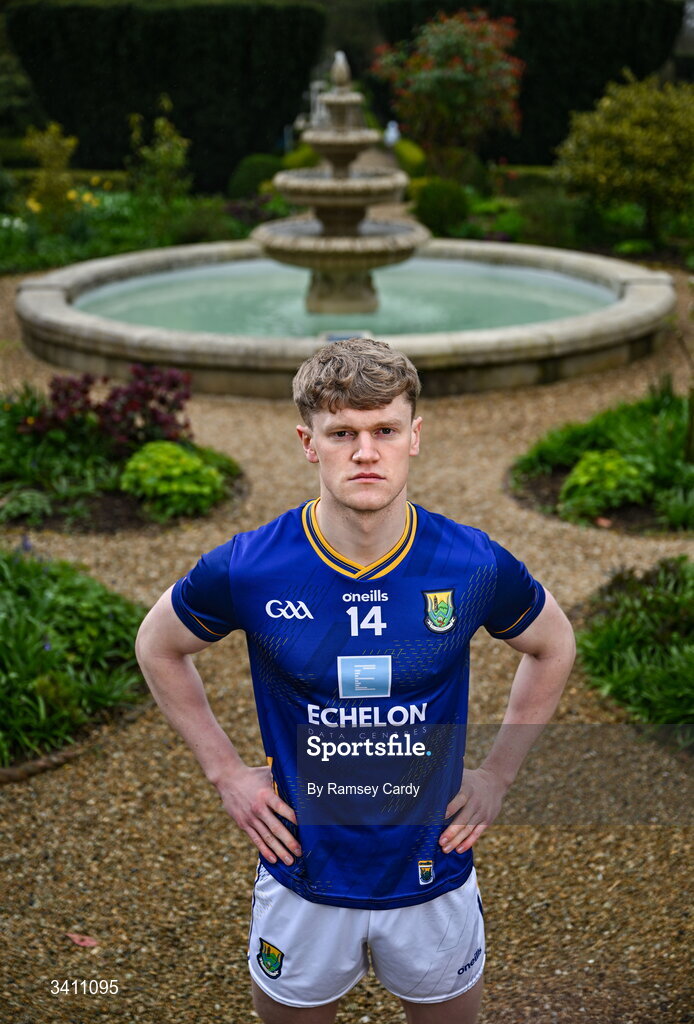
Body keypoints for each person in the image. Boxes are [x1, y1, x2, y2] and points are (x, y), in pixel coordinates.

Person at [136, 338, 575, 1024]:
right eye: (342, 433)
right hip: (304, 875)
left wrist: (497, 776)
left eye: (384, 431)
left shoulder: (471, 563)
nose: (365, 452)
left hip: (432, 875)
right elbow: (158, 645)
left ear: (414, 437)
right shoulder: (250, 567)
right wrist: (225, 772)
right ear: (308, 442)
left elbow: (553, 643)